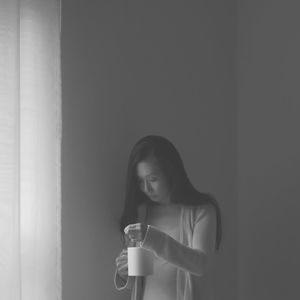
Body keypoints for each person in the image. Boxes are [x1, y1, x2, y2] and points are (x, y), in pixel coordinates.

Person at [114, 135, 222, 300]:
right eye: (140, 181)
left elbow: (201, 265)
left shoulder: (202, 211)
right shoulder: (141, 214)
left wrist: (153, 238)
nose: (146, 188)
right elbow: (141, 279)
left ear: (171, 172)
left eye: (153, 179)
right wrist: (125, 273)